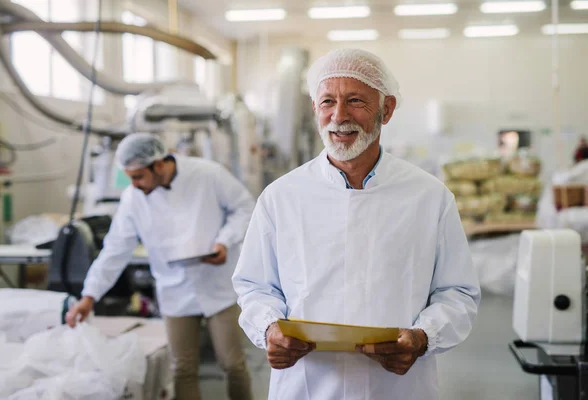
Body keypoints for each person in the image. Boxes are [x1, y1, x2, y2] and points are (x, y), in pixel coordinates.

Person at [232, 48, 481, 400]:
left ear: (387, 109)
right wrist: (269, 327)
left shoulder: (429, 197)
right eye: (327, 102)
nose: (339, 116)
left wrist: (423, 337)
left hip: (397, 384)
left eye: (355, 101)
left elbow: (458, 292)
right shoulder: (281, 197)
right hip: (307, 383)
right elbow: (255, 286)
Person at [66, 133, 254, 400]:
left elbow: (245, 209)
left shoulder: (208, 174)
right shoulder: (133, 198)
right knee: (182, 369)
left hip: (218, 284)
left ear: (158, 164)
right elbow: (115, 249)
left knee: (233, 365)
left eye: (138, 176)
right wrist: (89, 296)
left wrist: (225, 241)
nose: (133, 184)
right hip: (174, 289)